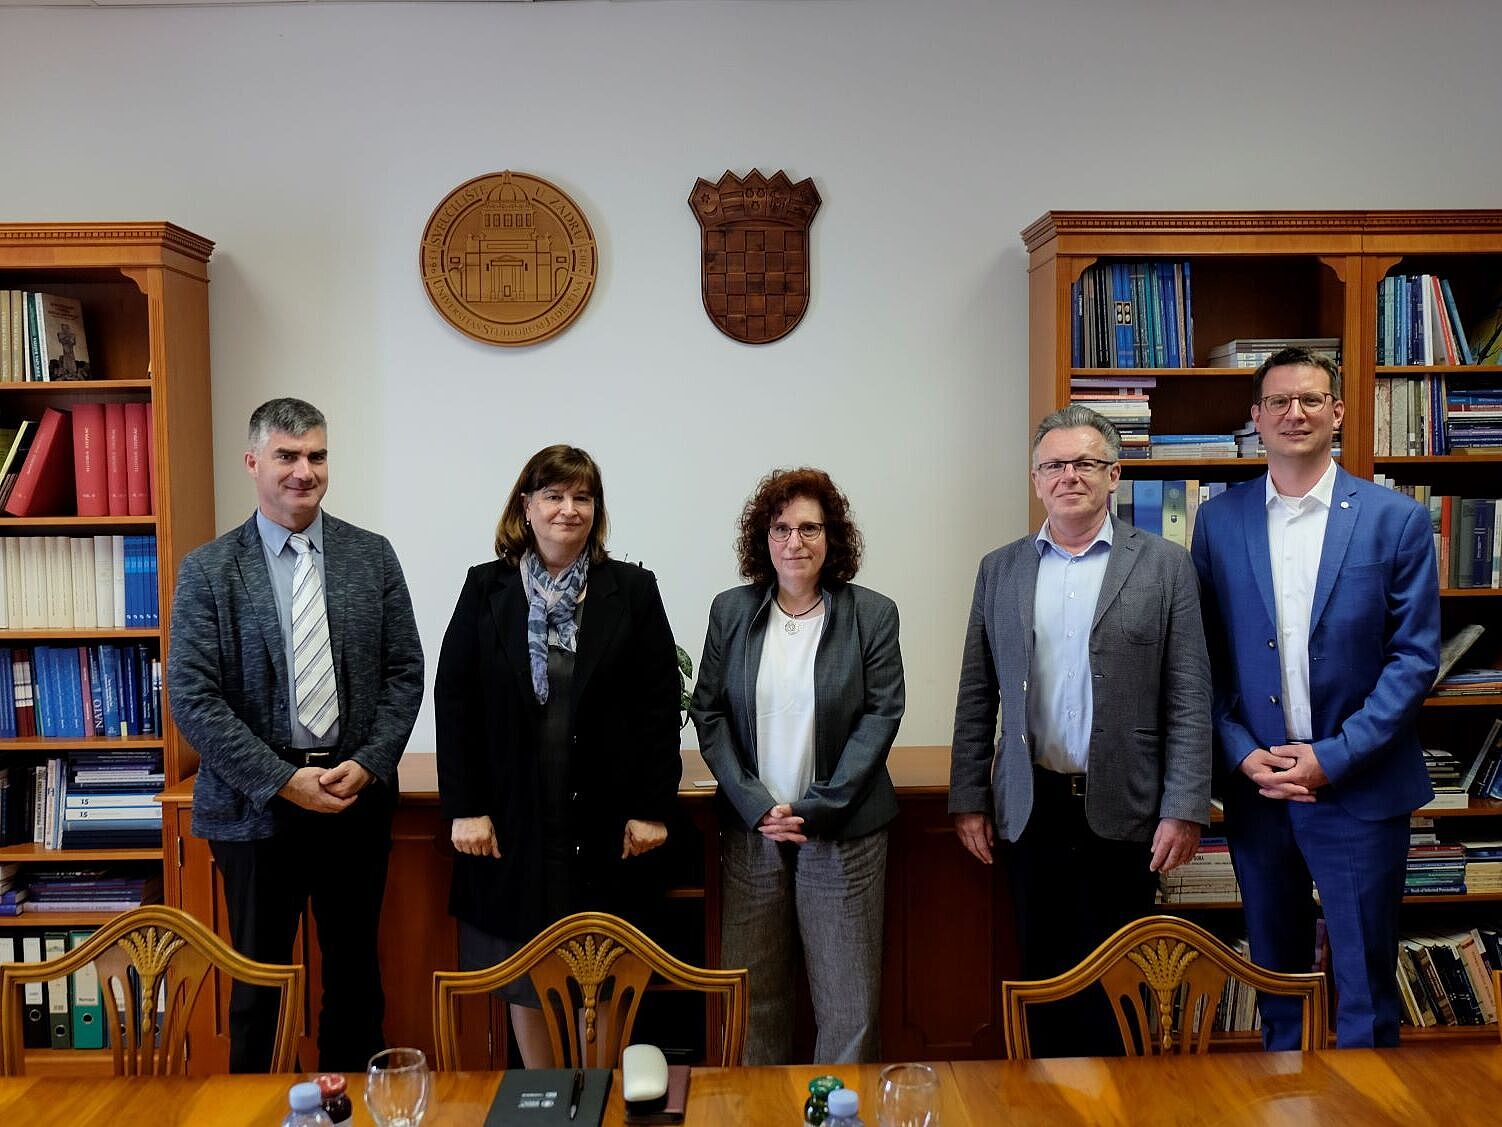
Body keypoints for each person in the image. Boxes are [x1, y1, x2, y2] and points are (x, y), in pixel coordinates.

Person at [1191, 347, 1439, 1049]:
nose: (1294, 413)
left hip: (1359, 788)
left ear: (1337, 410)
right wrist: (1241, 755)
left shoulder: (1395, 520)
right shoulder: (1219, 521)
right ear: (1256, 419)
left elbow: (1414, 659)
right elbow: (1202, 661)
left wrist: (1333, 757)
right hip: (1259, 792)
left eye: (1310, 399)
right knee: (1277, 982)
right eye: (1278, 402)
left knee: (1365, 990)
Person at [167, 397, 423, 1072]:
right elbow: (192, 697)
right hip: (255, 809)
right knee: (258, 983)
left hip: (353, 797)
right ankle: (256, 1107)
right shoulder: (210, 570)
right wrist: (282, 779)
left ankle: (357, 1112)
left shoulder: (372, 557)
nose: (303, 470)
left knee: (356, 982)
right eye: (287, 455)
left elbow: (405, 672)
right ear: (253, 462)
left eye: (316, 455)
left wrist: (368, 763)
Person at [949, 404, 1212, 1057]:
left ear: (1113, 474)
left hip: (1126, 807)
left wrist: (1184, 806)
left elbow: (1188, 692)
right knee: (1042, 974)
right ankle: (1045, 1103)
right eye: (1055, 465)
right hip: (1031, 806)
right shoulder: (1000, 569)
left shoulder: (1164, 565)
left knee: (1120, 979)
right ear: (1037, 479)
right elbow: (978, 690)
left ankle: (1118, 1108)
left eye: (1086, 463)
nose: (1070, 475)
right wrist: (967, 798)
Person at [434, 444, 682, 1068]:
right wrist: (465, 808)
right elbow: (455, 700)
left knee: (603, 964)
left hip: (606, 821)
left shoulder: (632, 589)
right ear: (526, 506)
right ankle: (545, 1100)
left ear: (596, 511)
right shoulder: (485, 588)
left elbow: (660, 704)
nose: (568, 509)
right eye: (553, 495)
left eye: (582, 497)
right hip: (516, 819)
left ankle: (594, 1096)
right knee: (529, 969)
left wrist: (653, 808)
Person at [690, 468, 905, 1065]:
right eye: (781, 528)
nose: (795, 541)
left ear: (831, 537)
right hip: (751, 832)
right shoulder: (731, 612)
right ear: (763, 538)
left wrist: (816, 808)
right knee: (753, 996)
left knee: (848, 1005)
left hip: (842, 834)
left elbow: (882, 718)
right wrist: (757, 805)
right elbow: (708, 713)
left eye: (809, 527)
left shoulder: (872, 614)